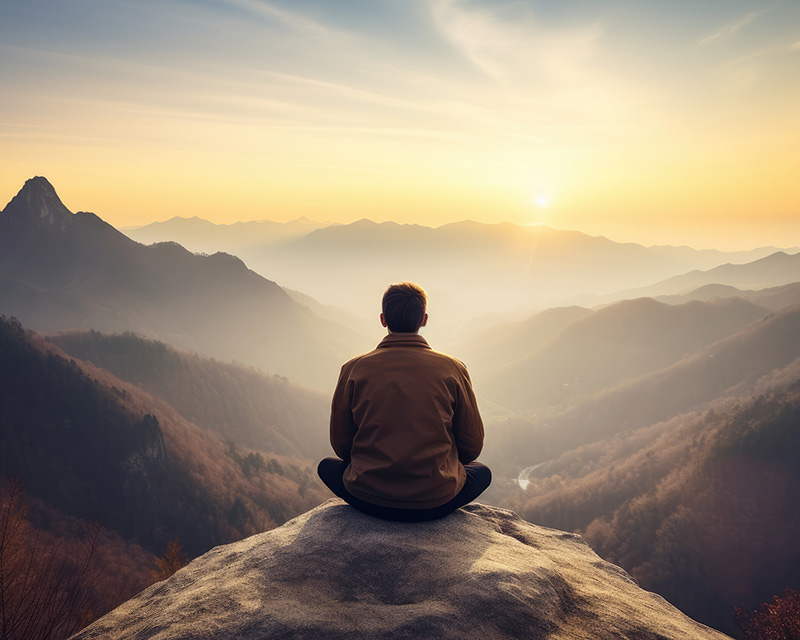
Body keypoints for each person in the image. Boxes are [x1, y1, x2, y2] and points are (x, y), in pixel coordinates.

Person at [317, 282, 491, 522]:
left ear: (383, 319)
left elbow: (341, 445)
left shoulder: (353, 369)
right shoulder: (453, 368)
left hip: (368, 499)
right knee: (482, 472)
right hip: (435, 503)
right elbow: (472, 447)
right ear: (424, 319)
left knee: (327, 466)